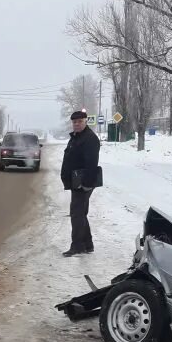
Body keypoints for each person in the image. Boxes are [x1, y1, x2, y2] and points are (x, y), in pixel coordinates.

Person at [60, 110, 101, 257]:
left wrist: (87, 184)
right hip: (76, 181)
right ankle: (87, 245)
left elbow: (92, 163)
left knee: (76, 214)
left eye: (80, 121)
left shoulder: (89, 138)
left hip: (83, 182)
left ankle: (77, 246)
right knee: (80, 213)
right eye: (74, 122)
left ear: (85, 122)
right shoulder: (77, 137)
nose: (76, 124)